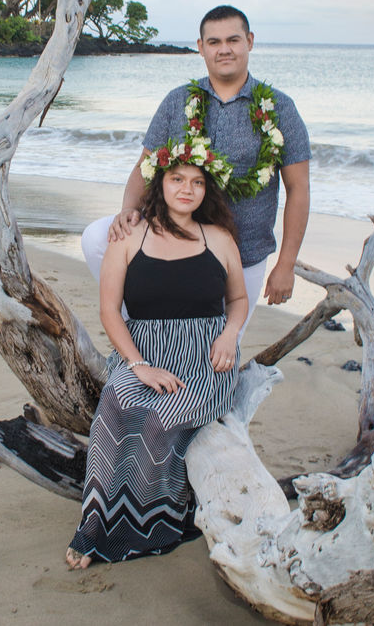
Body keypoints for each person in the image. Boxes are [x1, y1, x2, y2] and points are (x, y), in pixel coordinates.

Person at [66, 154, 248, 569]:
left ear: (207, 191)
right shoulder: (128, 237)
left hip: (206, 358)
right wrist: (137, 365)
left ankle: (155, 522)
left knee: (158, 418)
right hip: (143, 352)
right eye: (178, 179)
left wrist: (230, 334)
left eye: (198, 182)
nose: (187, 189)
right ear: (159, 184)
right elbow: (110, 311)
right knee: (116, 408)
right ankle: (95, 527)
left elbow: (237, 300)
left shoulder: (218, 238)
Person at [81, 4, 310, 330]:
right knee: (95, 238)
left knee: (217, 354)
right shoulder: (177, 101)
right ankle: (139, 328)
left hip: (241, 252)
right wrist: (128, 210)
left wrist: (286, 264)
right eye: (214, 42)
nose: (224, 49)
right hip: (166, 241)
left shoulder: (280, 109)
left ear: (250, 41)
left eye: (233, 40)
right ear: (201, 47)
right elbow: (145, 165)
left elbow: (298, 188)